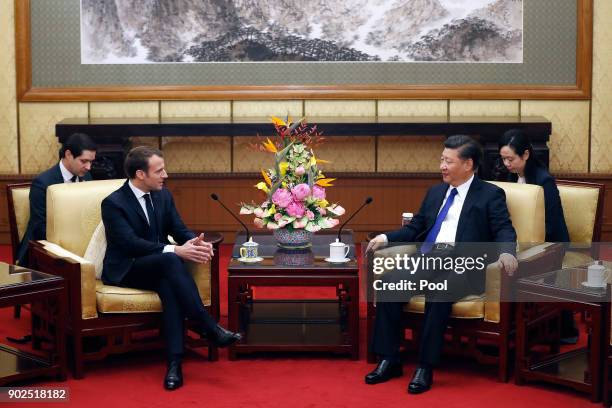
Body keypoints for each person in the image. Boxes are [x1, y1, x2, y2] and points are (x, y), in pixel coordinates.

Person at [366, 135, 518, 394]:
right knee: (390, 283)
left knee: (439, 289)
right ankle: (389, 359)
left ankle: (425, 366)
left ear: (468, 164)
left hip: (464, 265)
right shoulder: (436, 192)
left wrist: (506, 252)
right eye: (441, 160)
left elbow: (504, 228)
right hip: (429, 258)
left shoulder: (490, 194)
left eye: (448, 161)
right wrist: (385, 237)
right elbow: (416, 227)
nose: (442, 166)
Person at [101, 146, 241, 391]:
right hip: (127, 268)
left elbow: (178, 228)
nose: (165, 175)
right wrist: (175, 250)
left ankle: (174, 365)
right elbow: (130, 244)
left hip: (159, 267)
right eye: (159, 170)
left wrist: (195, 243)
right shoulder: (113, 203)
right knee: (170, 259)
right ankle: (207, 325)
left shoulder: (162, 195)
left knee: (169, 285)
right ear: (140, 174)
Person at [498, 128, 577, 343]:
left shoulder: (544, 181)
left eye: (510, 159)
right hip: (522, 240)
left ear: (525, 155)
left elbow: (551, 224)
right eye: (503, 159)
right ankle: (510, 326)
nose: (507, 164)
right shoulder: (509, 176)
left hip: (552, 241)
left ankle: (553, 328)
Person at [16, 133, 97, 266]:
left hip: (79, 247)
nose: (89, 167)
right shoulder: (43, 183)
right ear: (68, 154)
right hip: (44, 249)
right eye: (84, 161)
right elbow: (39, 227)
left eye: (91, 162)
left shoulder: (87, 177)